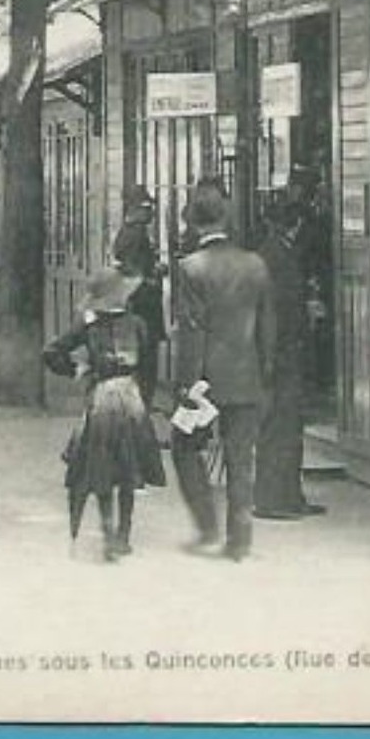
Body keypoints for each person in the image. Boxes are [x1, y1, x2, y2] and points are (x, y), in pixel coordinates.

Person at [169, 184, 276, 562]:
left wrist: (186, 384)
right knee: (240, 459)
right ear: (224, 218)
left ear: (194, 223)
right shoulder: (256, 264)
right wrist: (266, 374)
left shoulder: (190, 268)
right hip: (247, 376)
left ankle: (207, 525)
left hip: (206, 383)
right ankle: (240, 542)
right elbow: (267, 327)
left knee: (182, 446)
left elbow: (192, 330)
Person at [44, 267, 167, 562]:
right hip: (131, 397)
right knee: (129, 466)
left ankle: (108, 529)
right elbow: (149, 364)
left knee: (99, 464)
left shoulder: (88, 327)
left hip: (101, 397)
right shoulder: (138, 324)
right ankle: (123, 534)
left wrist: (76, 370)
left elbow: (51, 352)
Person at [254, 199, 327, 520]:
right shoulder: (278, 259)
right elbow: (279, 312)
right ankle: (274, 499)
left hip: (277, 353)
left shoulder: (268, 254)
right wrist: (308, 310)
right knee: (281, 427)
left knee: (285, 426)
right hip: (281, 353)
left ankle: (288, 495)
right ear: (294, 225)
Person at [110, 184, 167, 411]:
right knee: (146, 360)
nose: (151, 211)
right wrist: (154, 275)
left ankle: (141, 402)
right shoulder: (135, 234)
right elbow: (133, 273)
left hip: (137, 306)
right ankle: (142, 403)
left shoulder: (129, 232)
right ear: (134, 208)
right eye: (146, 206)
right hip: (143, 307)